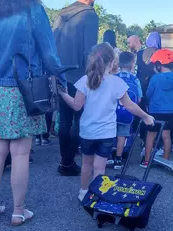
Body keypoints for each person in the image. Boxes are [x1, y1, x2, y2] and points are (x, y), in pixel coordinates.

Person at [0, 0, 66, 226]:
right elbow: (48, 51)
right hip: (25, 89)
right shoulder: (32, 9)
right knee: (20, 154)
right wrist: (61, 79)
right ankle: (18, 210)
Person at [59, 43, 154, 201]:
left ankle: (83, 192)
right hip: (107, 133)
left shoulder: (84, 81)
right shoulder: (117, 83)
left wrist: (62, 94)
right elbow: (130, 105)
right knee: (100, 167)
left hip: (87, 131)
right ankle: (98, 194)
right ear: (112, 62)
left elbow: (76, 106)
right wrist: (145, 116)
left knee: (86, 164)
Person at [53, 0, 99, 177]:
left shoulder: (61, 14)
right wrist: (94, 75)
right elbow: (90, 50)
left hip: (60, 72)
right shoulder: (89, 14)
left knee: (64, 120)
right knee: (80, 119)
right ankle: (69, 162)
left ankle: (65, 162)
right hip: (80, 74)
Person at [140, 49, 173, 168]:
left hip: (155, 112)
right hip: (170, 112)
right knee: (166, 136)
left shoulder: (155, 78)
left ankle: (146, 160)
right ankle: (165, 159)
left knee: (150, 136)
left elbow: (148, 94)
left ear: (158, 65)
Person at [113, 51, 142, 170]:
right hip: (127, 114)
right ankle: (118, 160)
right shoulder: (135, 79)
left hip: (112, 113)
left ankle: (108, 155)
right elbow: (139, 98)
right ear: (132, 64)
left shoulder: (114, 78)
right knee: (121, 136)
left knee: (110, 135)